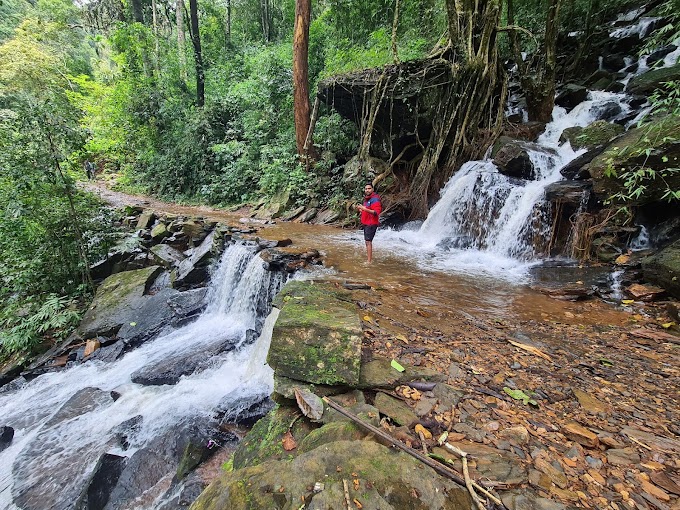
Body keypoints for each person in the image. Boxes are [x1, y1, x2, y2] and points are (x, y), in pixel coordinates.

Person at [355, 183, 382, 263]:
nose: (367, 190)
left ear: (372, 189)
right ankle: (369, 258)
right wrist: (361, 209)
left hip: (371, 223)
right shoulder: (367, 199)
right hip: (367, 223)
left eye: (369, 188)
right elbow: (367, 209)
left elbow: (376, 212)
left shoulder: (375, 199)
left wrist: (364, 208)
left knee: (368, 242)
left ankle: (369, 261)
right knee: (367, 241)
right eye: (366, 189)